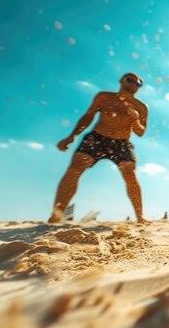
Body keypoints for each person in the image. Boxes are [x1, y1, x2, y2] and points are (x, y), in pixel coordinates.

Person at [48, 73, 150, 224]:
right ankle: (57, 214)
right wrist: (72, 136)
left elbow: (140, 132)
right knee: (75, 167)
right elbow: (88, 117)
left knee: (130, 174)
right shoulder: (104, 97)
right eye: (130, 81)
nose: (134, 85)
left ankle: (140, 217)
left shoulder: (141, 107)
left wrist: (135, 119)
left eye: (138, 84)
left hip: (121, 143)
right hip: (97, 138)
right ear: (122, 81)